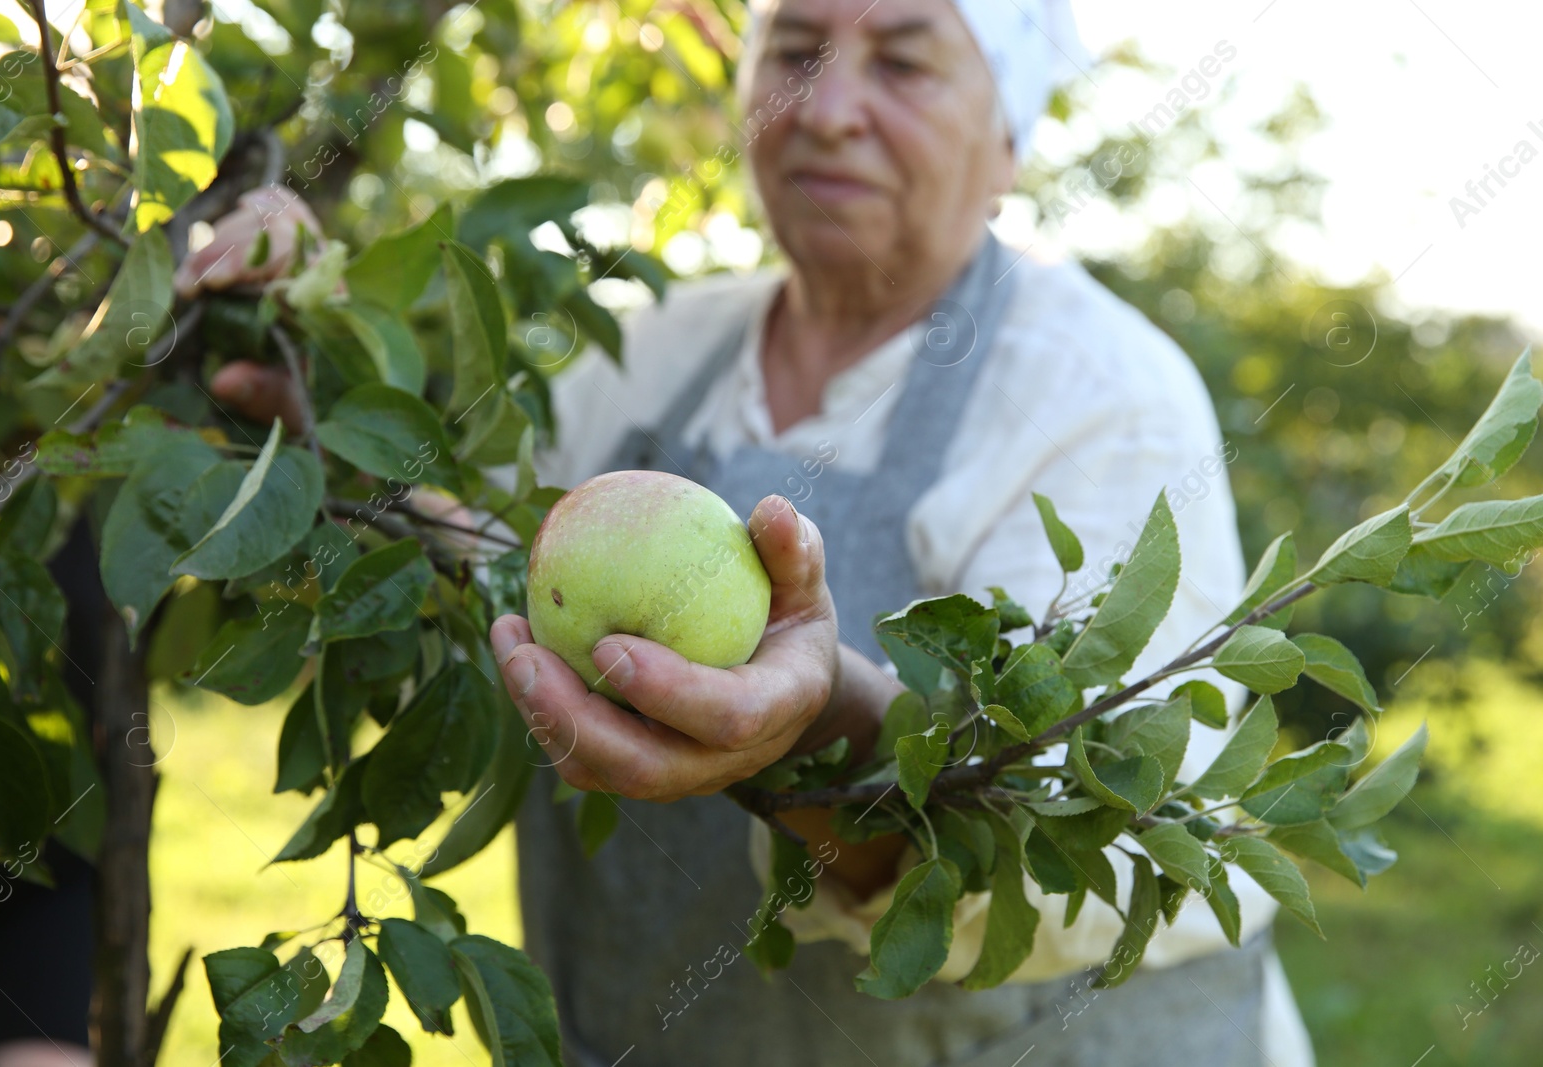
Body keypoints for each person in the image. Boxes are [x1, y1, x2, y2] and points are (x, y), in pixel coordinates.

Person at [211, 1, 1318, 1063]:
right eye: (793, 46)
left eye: (904, 61)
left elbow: (1076, 851)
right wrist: (305, 335)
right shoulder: (641, 352)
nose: (827, 107)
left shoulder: (1099, 395)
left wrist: (819, 718)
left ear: (1008, 136)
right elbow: (460, 549)